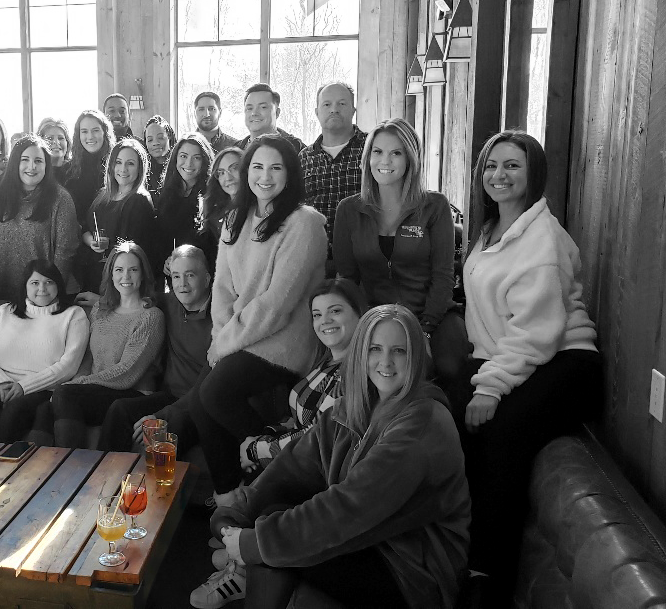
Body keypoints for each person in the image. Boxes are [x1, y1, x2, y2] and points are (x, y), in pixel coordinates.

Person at [192, 305, 470, 609]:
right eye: (375, 349)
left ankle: (245, 574)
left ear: (416, 357)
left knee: (272, 546)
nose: (386, 362)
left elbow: (350, 507)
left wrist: (254, 543)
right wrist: (241, 510)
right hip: (371, 539)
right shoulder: (355, 405)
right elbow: (294, 467)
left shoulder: (423, 426)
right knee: (270, 517)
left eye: (399, 351)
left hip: (413, 569)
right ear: (361, 353)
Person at [458, 130, 602, 607]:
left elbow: (537, 331)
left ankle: (485, 577)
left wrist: (490, 388)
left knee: (499, 434)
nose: (499, 175)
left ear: (533, 173)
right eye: (491, 165)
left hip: (566, 362)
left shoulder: (540, 238)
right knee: (442, 410)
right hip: (516, 355)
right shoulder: (491, 229)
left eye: (513, 166)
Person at [188, 135, 327, 503]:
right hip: (240, 336)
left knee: (215, 392)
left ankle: (279, 457)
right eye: (258, 167)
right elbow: (222, 289)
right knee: (199, 404)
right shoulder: (235, 218)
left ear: (290, 174)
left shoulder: (305, 222)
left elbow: (277, 305)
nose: (265, 177)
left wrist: (225, 343)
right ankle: (229, 500)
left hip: (285, 340)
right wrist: (221, 335)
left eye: (276, 168)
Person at [333, 118, 468, 386]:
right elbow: (347, 279)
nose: (385, 160)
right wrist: (361, 327)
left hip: (433, 315)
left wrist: (425, 331)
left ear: (411, 159)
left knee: (448, 368)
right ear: (367, 157)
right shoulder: (348, 209)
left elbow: (443, 276)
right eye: (377, 151)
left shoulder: (435, 206)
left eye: (396, 152)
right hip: (375, 316)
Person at [238, 278, 368, 477]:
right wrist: (267, 436)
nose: (324, 320)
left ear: (359, 314)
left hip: (312, 475)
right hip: (292, 461)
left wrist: (256, 450)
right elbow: (299, 421)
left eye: (335, 311)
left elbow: (315, 436)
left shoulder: (353, 373)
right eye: (317, 315)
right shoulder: (324, 363)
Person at [97, 245, 213, 453]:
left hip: (201, 402)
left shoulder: (220, 318)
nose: (182, 285)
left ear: (207, 279)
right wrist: (99, 301)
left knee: (160, 433)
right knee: (120, 408)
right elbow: (135, 294)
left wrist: (162, 416)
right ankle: (104, 475)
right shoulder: (170, 303)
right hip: (169, 396)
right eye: (176, 277)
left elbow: (210, 386)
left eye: (190, 275)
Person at [0, 260, 90, 442]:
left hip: (41, 389)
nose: (42, 289)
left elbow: (68, 366)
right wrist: (2, 383)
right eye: (35, 283)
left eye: (49, 282)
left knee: (14, 412)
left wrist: (24, 387)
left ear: (58, 285)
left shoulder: (74, 315)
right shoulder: (4, 311)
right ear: (25, 286)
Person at [51, 242, 165, 448]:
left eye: (133, 270)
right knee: (46, 407)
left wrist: (79, 385)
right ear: (111, 275)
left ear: (143, 274)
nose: (126, 277)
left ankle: (73, 464)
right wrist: (77, 381)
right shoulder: (100, 310)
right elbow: (88, 358)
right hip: (97, 391)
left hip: (132, 392)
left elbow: (127, 372)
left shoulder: (150, 317)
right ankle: (41, 470)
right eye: (119, 270)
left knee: (64, 394)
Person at [0, 134, 79, 298]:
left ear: (46, 165)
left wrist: (49, 293)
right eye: (24, 160)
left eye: (38, 161)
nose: (31, 166)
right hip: (5, 293)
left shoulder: (61, 199)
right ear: (15, 163)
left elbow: (65, 253)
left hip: (45, 295)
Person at [299, 82, 367, 273]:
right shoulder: (304, 157)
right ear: (316, 111)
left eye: (342, 104)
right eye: (327, 104)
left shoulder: (373, 150)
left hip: (363, 260)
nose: (334, 109)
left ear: (353, 109)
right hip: (314, 259)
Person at [76, 138, 156, 293]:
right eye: (118, 162)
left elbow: (133, 257)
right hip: (93, 277)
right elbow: (85, 228)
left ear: (140, 168)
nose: (123, 169)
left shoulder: (139, 201)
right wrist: (91, 241)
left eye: (130, 163)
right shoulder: (102, 195)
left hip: (118, 286)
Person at [153, 134, 214, 268]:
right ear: (175, 159)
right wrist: (166, 259)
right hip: (172, 273)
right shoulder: (166, 194)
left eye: (196, 158)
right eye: (183, 156)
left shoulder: (211, 196)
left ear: (204, 161)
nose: (189, 163)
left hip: (201, 270)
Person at [64, 109, 116, 224]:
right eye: (84, 131)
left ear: (105, 132)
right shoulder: (68, 170)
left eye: (95, 130)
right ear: (78, 135)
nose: (90, 136)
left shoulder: (116, 167)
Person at [197, 147, 242, 271]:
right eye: (221, 172)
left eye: (234, 168)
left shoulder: (258, 211)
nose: (228, 177)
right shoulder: (214, 214)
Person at [235, 83, 305, 154]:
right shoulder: (235, 151)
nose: (254, 113)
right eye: (249, 108)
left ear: (277, 113)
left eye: (263, 107)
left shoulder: (297, 148)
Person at [143, 115, 176, 197]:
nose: (155, 143)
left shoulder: (180, 167)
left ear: (169, 137)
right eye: (150, 140)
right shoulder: (142, 170)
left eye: (160, 138)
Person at [37, 116, 72, 182]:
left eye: (60, 138)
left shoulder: (76, 172)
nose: (56, 142)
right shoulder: (34, 172)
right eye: (50, 138)